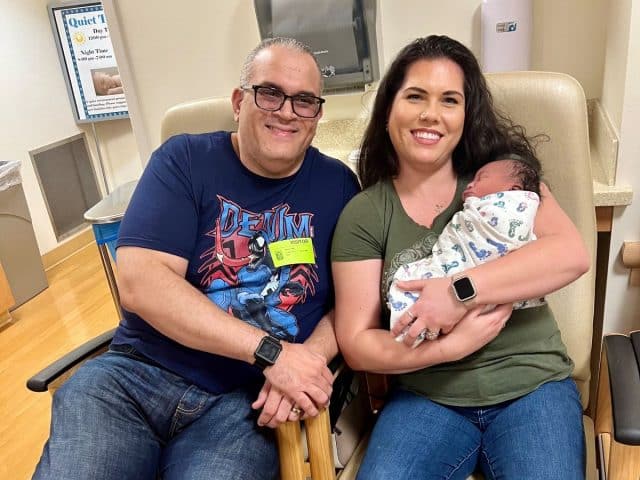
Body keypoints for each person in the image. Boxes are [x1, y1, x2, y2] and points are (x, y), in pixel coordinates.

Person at [34, 37, 360, 480]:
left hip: (246, 404)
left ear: (317, 116)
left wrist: (309, 363)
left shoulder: (338, 186)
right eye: (270, 93)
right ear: (238, 102)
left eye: (304, 101)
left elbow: (352, 303)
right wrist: (271, 352)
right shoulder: (184, 160)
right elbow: (140, 281)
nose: (287, 111)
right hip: (135, 379)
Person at [331, 35, 589, 479]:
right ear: (389, 108)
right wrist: (449, 348)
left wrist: (459, 292)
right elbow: (356, 345)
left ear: (465, 116)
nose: (431, 113)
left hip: (532, 386)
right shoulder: (365, 214)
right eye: (415, 96)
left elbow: (570, 255)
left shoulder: (500, 179)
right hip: (426, 399)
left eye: (449, 100)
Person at [388, 156, 545, 346]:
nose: (470, 184)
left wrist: (458, 295)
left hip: (534, 359)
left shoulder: (519, 205)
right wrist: (453, 347)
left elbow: (573, 259)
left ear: (514, 190)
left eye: (481, 178)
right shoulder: (371, 208)